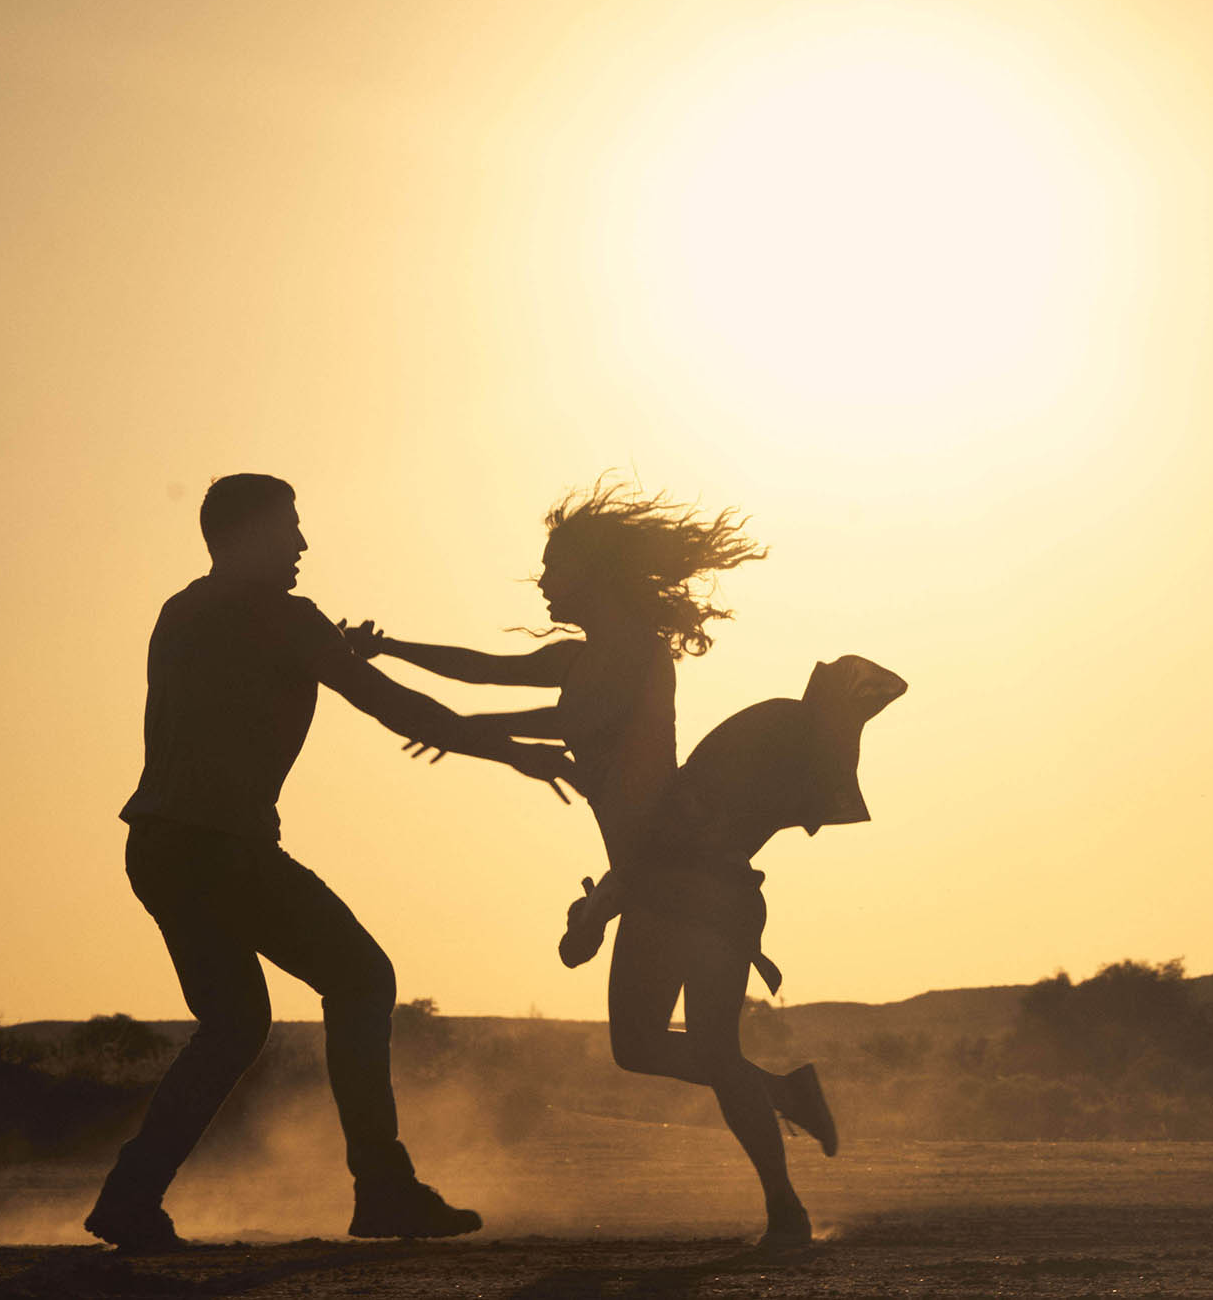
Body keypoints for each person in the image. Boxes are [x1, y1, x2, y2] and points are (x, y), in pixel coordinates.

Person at [345, 481, 894, 1251]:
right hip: (658, 879)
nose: (540, 579)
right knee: (638, 1047)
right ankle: (784, 1092)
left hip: (699, 886)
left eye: (551, 564)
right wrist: (388, 649)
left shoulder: (633, 654)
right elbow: (481, 665)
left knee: (710, 1048)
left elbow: (568, 722)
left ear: (591, 571)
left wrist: (455, 728)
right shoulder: (585, 656)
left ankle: (786, 1211)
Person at [85, 474, 575, 1254]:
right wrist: (508, 750)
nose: (303, 545)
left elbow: (251, 674)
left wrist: (323, 647)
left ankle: (131, 1196)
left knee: (236, 1024)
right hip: (222, 847)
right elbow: (393, 706)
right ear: (246, 534)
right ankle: (382, 1188)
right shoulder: (284, 617)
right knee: (361, 978)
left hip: (157, 845)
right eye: (290, 528)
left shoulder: (181, 612)